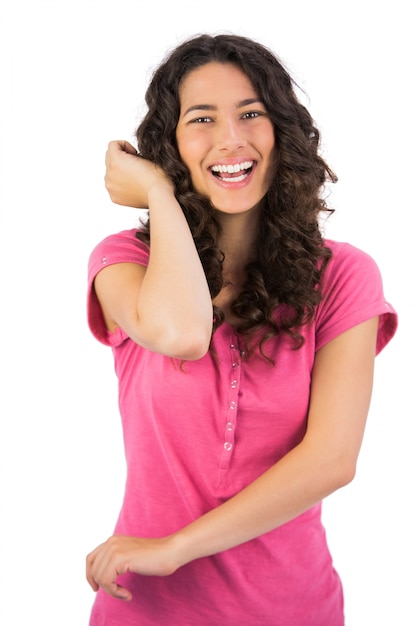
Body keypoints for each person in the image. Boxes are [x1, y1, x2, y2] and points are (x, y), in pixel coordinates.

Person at [85, 33, 397, 626]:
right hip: (144, 610)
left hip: (294, 607)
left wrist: (176, 549)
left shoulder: (344, 276)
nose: (231, 138)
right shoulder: (124, 261)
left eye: (251, 113)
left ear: (281, 131)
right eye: (201, 119)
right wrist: (159, 191)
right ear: (171, 144)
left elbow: (332, 458)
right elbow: (180, 333)